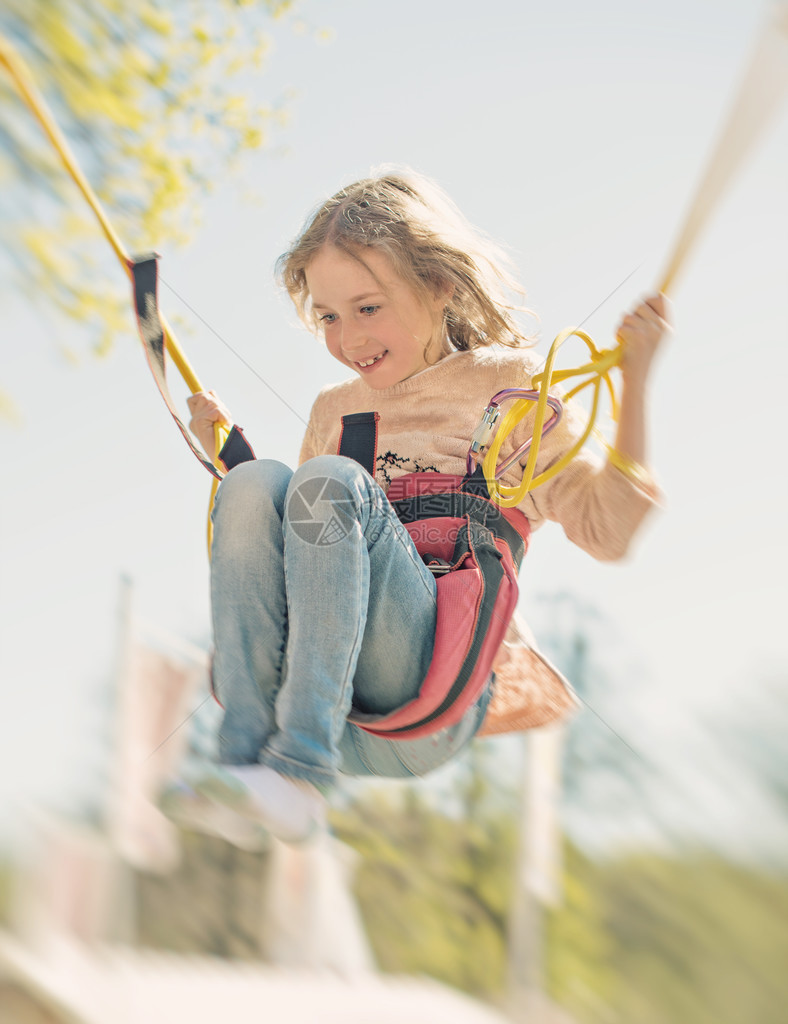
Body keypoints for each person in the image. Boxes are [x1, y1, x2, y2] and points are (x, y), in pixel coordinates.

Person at [163, 169, 668, 846]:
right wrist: (235, 464)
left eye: (368, 308)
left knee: (329, 483)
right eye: (329, 317)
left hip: (427, 686)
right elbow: (307, 557)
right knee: (258, 488)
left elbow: (609, 532)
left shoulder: (509, 387)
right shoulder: (333, 411)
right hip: (336, 699)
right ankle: (250, 764)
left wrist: (636, 384)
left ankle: (296, 774)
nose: (348, 339)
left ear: (440, 284)